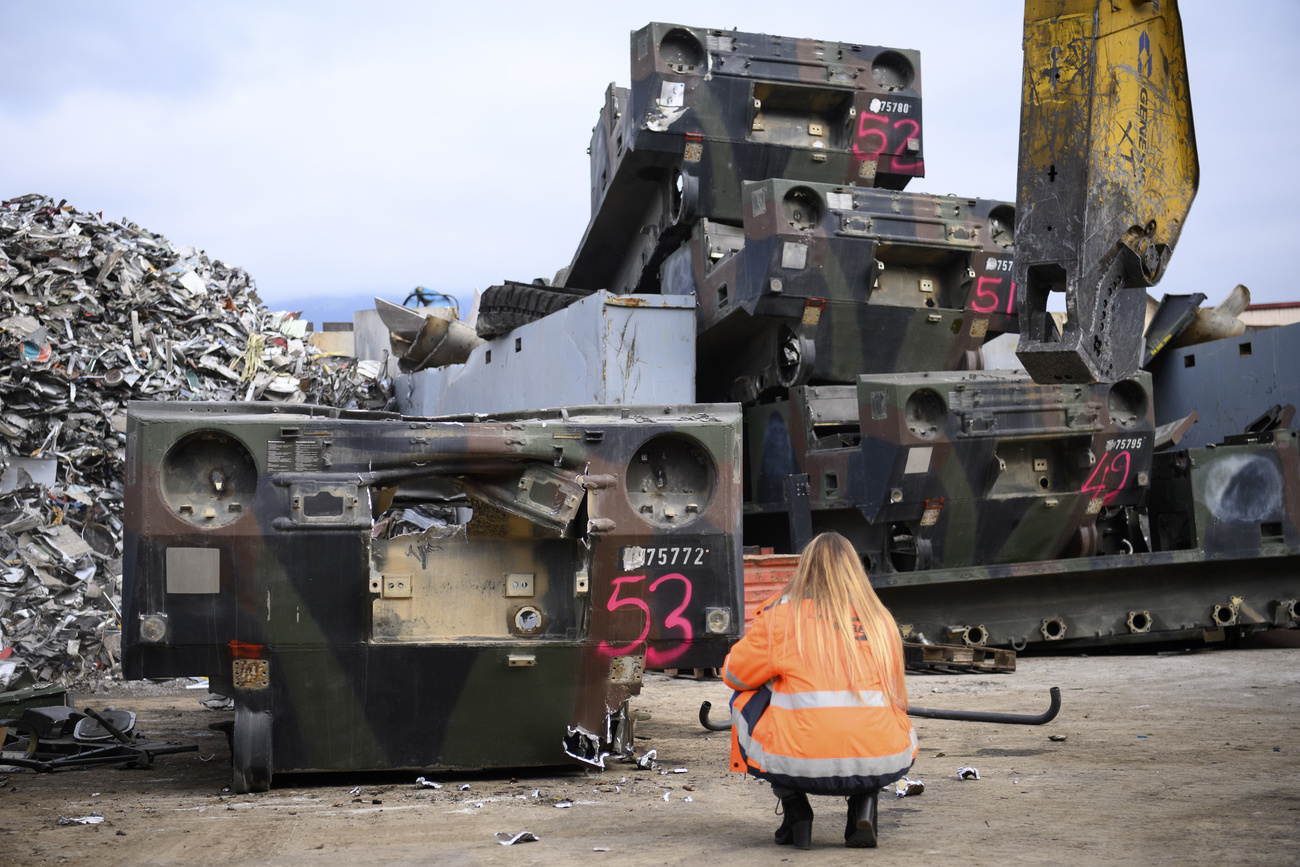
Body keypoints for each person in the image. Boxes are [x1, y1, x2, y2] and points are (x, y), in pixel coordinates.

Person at [723, 532, 916, 849]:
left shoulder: (784, 619)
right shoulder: (881, 620)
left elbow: (735, 675)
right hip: (882, 758)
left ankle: (796, 811)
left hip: (799, 762)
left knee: (744, 696)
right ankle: (863, 808)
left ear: (806, 569)